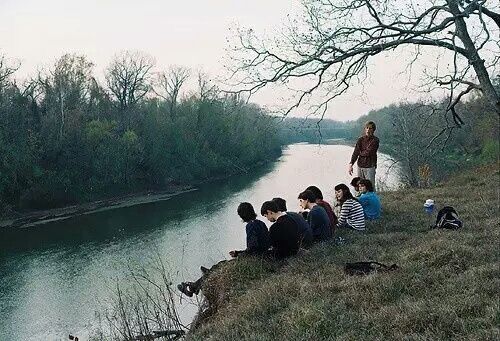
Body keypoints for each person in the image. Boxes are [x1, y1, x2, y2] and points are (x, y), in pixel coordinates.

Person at [178, 202, 270, 297]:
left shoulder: (250, 226)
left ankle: (193, 287)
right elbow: (259, 245)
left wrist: (240, 255)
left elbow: (252, 247)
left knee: (220, 266)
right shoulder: (260, 223)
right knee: (220, 265)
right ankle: (200, 281)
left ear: (242, 215)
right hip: (263, 255)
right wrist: (238, 253)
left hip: (255, 259)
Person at [348, 121, 379, 190]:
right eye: (367, 128)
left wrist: (360, 153)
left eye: (370, 128)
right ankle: (362, 200)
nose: (368, 130)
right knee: (360, 187)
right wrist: (351, 164)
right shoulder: (360, 140)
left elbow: (369, 152)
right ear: (365, 129)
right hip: (360, 166)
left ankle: (372, 200)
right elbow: (356, 152)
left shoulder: (375, 140)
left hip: (370, 166)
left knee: (370, 187)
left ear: (373, 130)